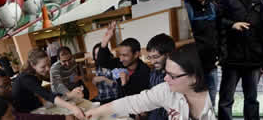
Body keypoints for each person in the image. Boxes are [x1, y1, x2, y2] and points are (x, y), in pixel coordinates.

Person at [86, 44, 215, 120]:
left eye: (173, 76)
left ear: (196, 77)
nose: (165, 78)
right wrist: (94, 113)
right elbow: (134, 102)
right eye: (166, 72)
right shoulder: (167, 90)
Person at [217, 0, 263, 120]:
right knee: (226, 99)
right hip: (232, 59)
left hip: (253, 60)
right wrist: (232, 24)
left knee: (252, 99)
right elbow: (216, 21)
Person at [182, 0, 221, 106]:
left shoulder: (213, 6)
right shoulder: (185, 8)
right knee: (192, 105)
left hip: (211, 66)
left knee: (210, 104)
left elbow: (219, 32)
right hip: (192, 69)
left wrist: (220, 54)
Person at [12, 49, 85, 117]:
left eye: (49, 65)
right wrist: (72, 107)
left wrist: (70, 94)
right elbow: (47, 95)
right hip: (25, 114)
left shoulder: (36, 73)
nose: (48, 69)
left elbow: (56, 84)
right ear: (33, 65)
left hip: (35, 107)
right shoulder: (26, 78)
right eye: (43, 67)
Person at [96, 22, 151, 96]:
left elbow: (137, 97)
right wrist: (105, 41)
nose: (121, 59)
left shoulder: (144, 71)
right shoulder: (120, 63)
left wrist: (125, 82)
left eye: (125, 55)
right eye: (120, 55)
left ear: (136, 54)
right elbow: (102, 63)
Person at [146, 34, 176, 120]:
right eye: (149, 57)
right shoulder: (153, 73)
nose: (152, 62)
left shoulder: (178, 75)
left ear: (168, 54)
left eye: (156, 57)